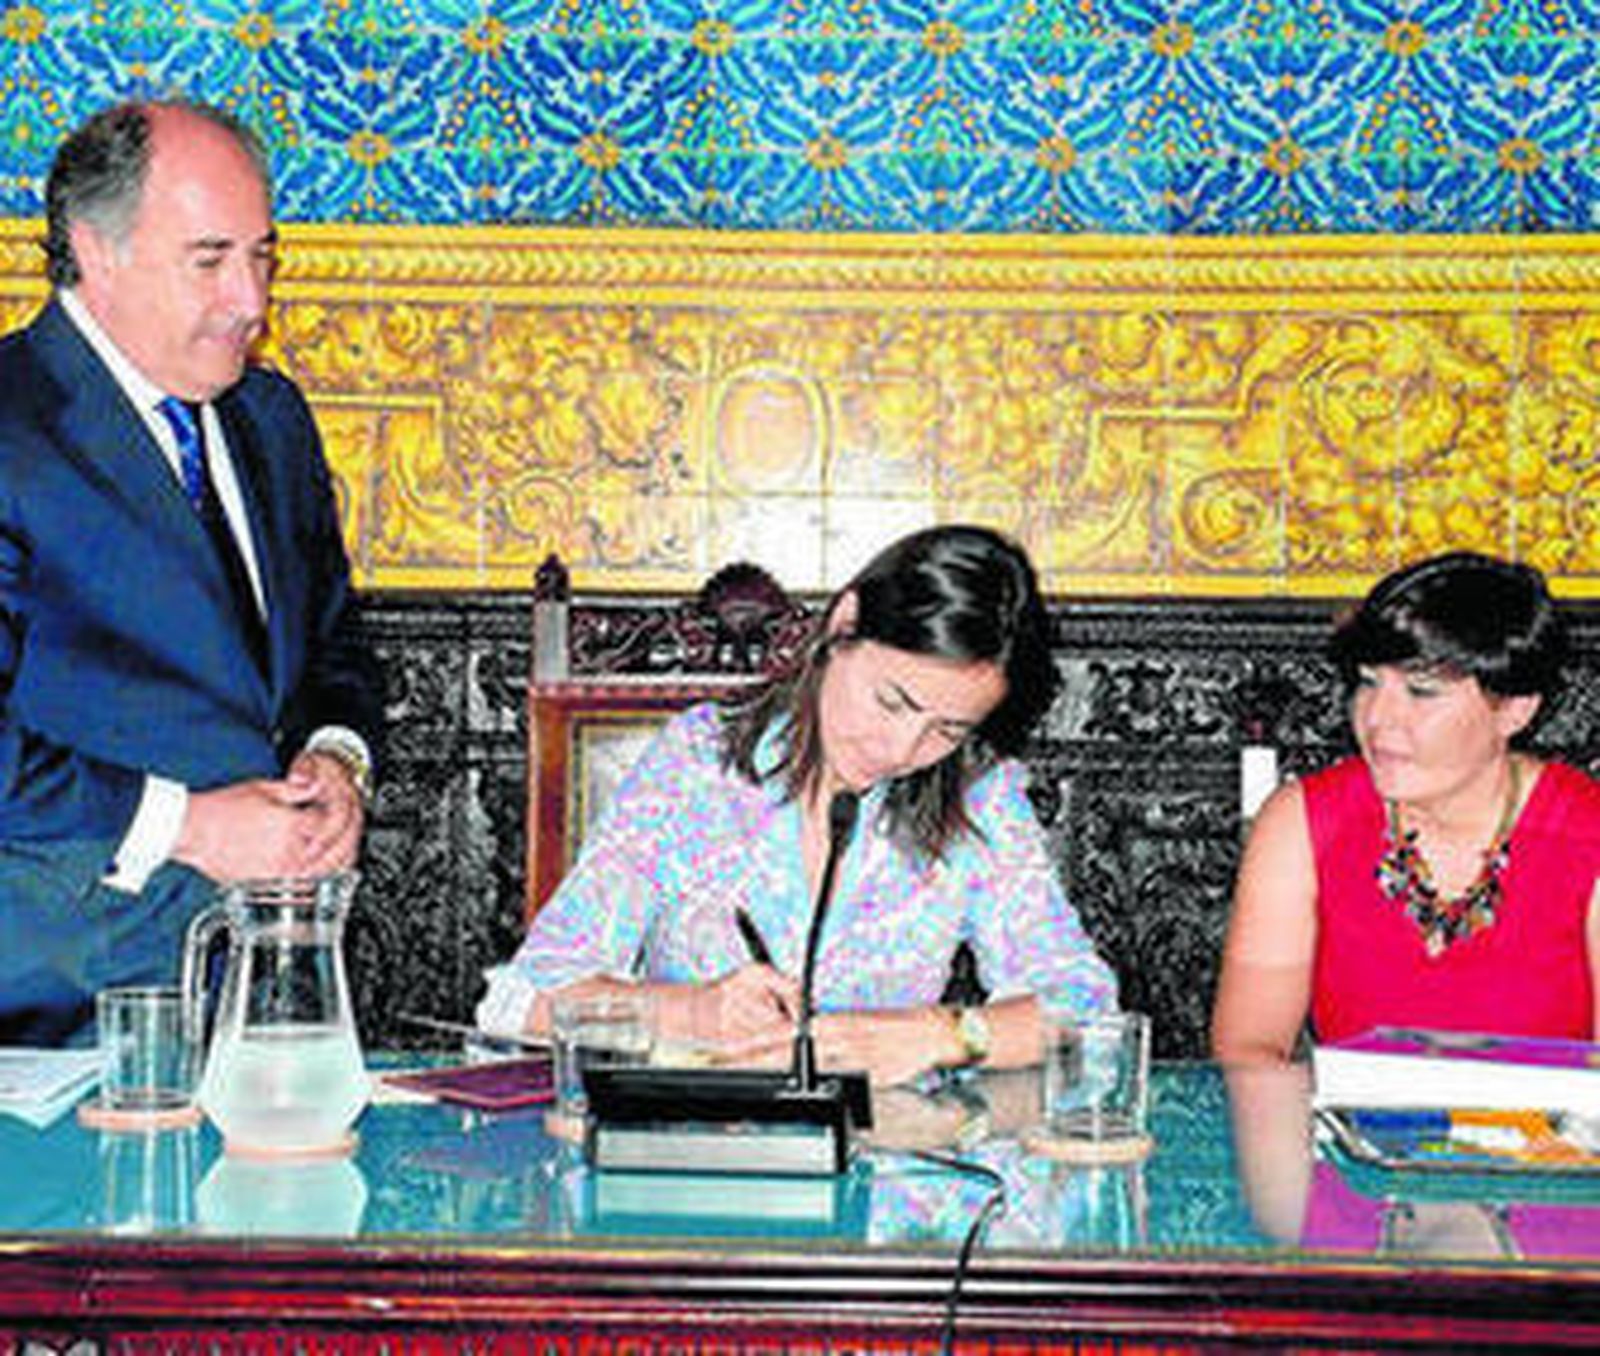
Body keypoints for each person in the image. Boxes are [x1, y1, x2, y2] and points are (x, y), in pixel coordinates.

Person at [0, 99, 384, 1043]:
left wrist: (339, 758)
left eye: (262, 257)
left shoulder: (271, 420)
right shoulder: (11, 421)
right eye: (210, 260)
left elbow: (334, 645)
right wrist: (186, 826)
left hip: (257, 1008)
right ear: (95, 251)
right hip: (48, 1021)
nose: (250, 301)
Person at [478, 524, 1116, 1085]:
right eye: (892, 701)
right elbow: (522, 1002)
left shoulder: (979, 795)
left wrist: (939, 1035)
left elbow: (1086, 1009)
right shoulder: (697, 765)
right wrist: (687, 1013)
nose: (900, 748)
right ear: (843, 625)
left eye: (947, 730)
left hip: (896, 1179)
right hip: (694, 1176)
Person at [1211, 551, 1600, 1065]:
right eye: (1369, 682)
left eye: (1421, 692)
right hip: (1348, 1140)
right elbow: (1249, 1046)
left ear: (1514, 709)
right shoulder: (1303, 821)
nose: (1378, 719)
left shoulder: (1585, 832)